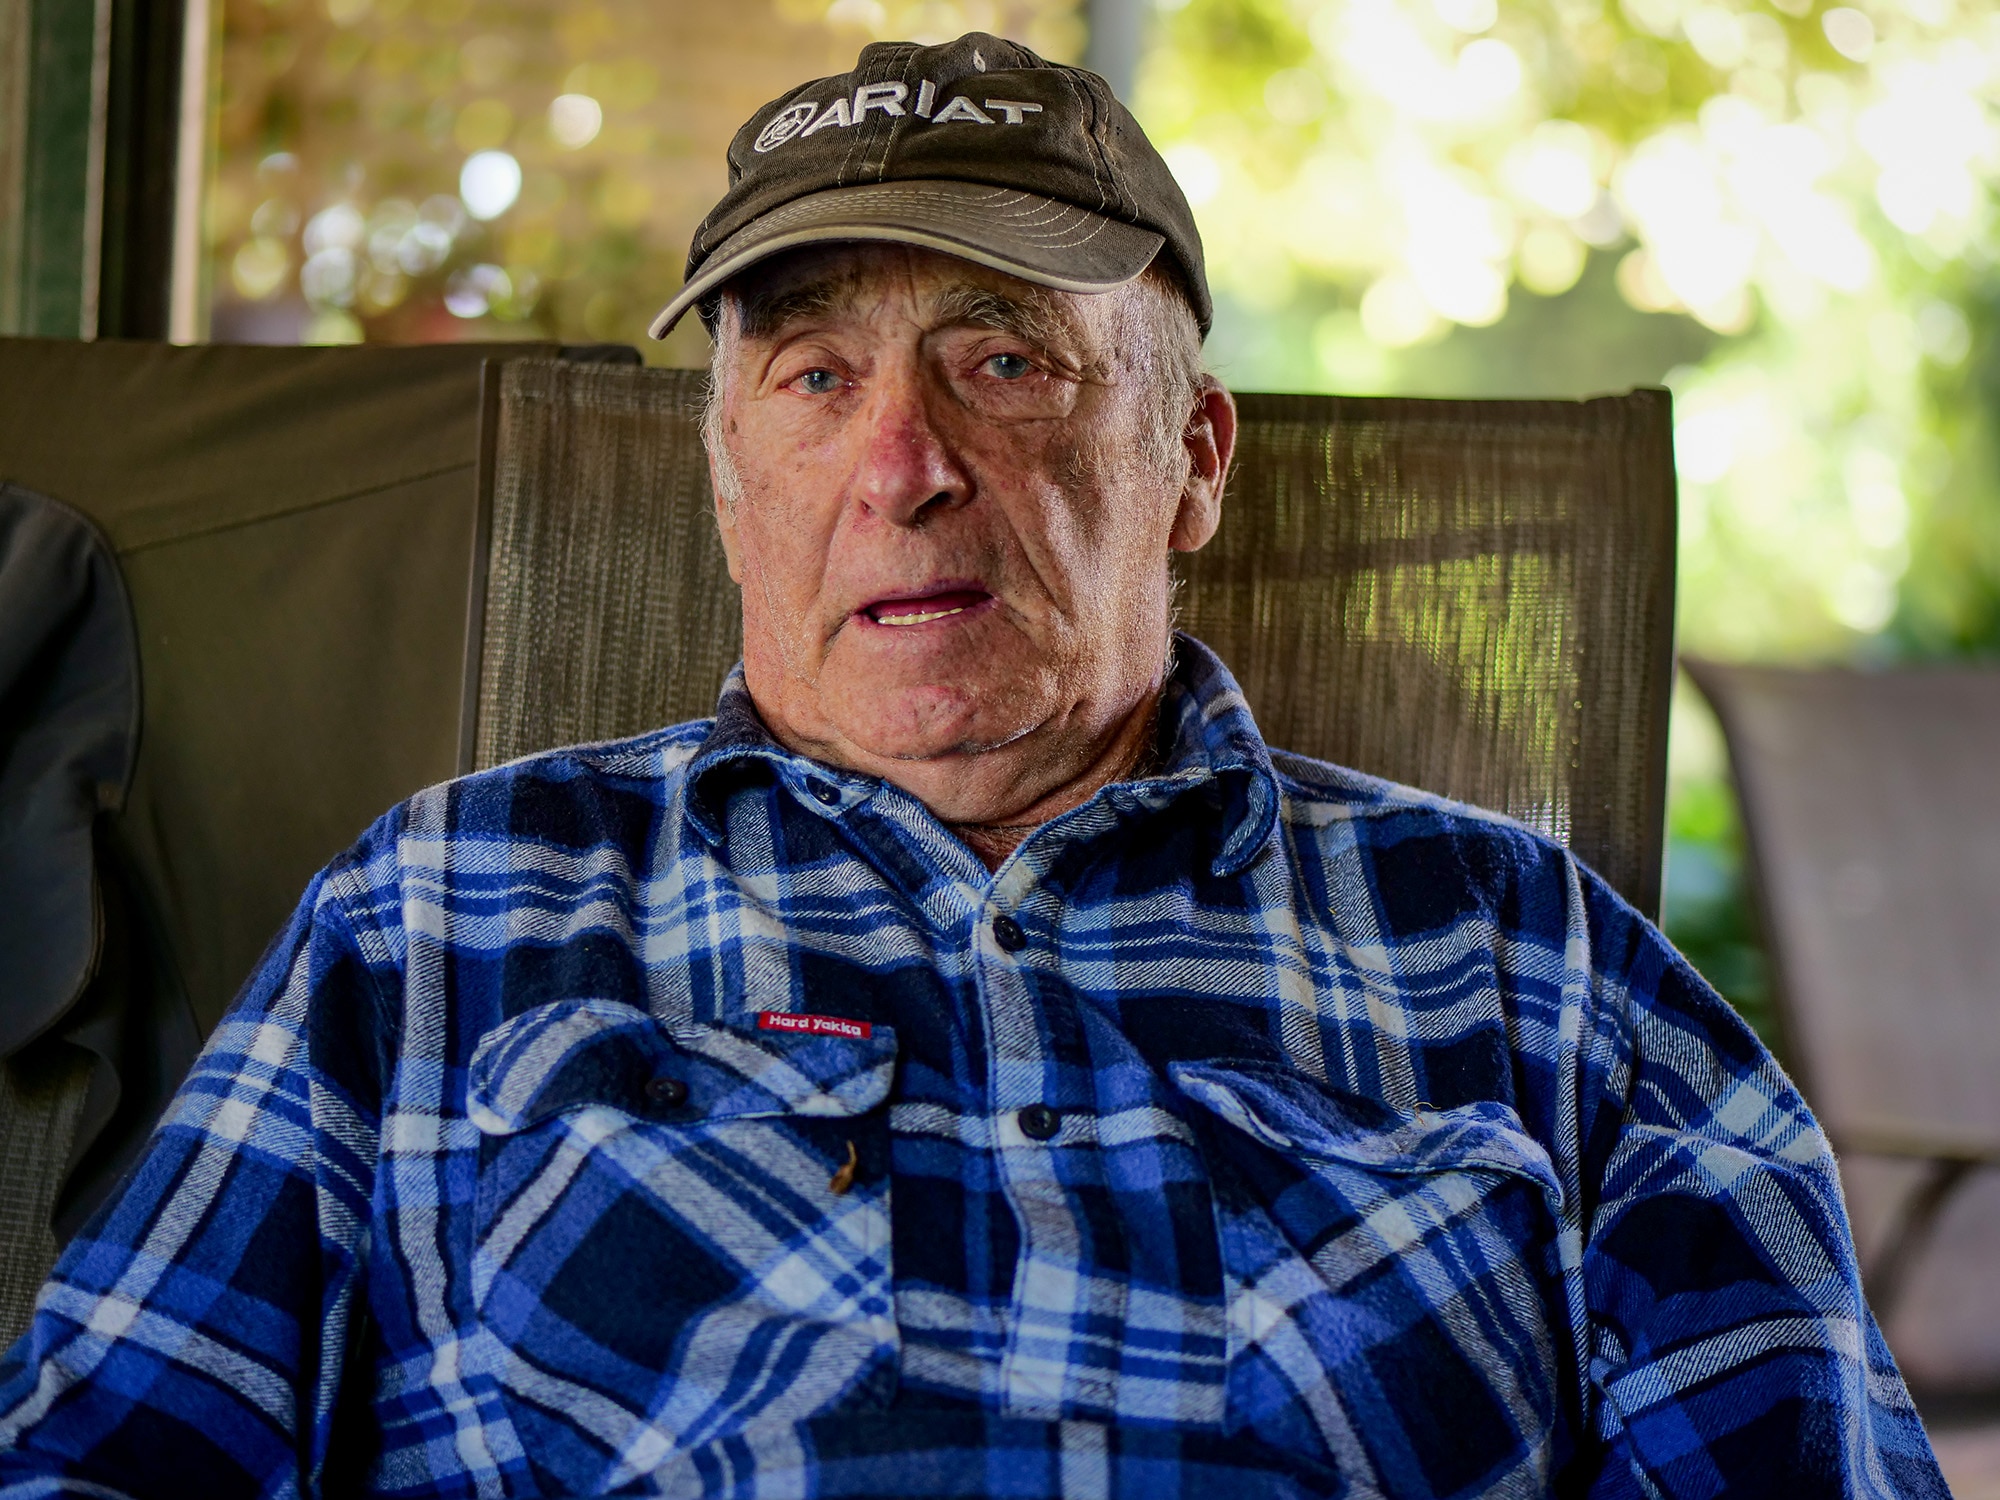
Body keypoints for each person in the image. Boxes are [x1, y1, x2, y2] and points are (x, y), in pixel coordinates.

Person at [0, 31, 1951, 1500]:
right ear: (728, 479)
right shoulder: (441, 912)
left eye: (1004, 360)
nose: (902, 466)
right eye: (814, 376)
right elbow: (109, 1455)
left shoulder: (1529, 961)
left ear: (1192, 459)